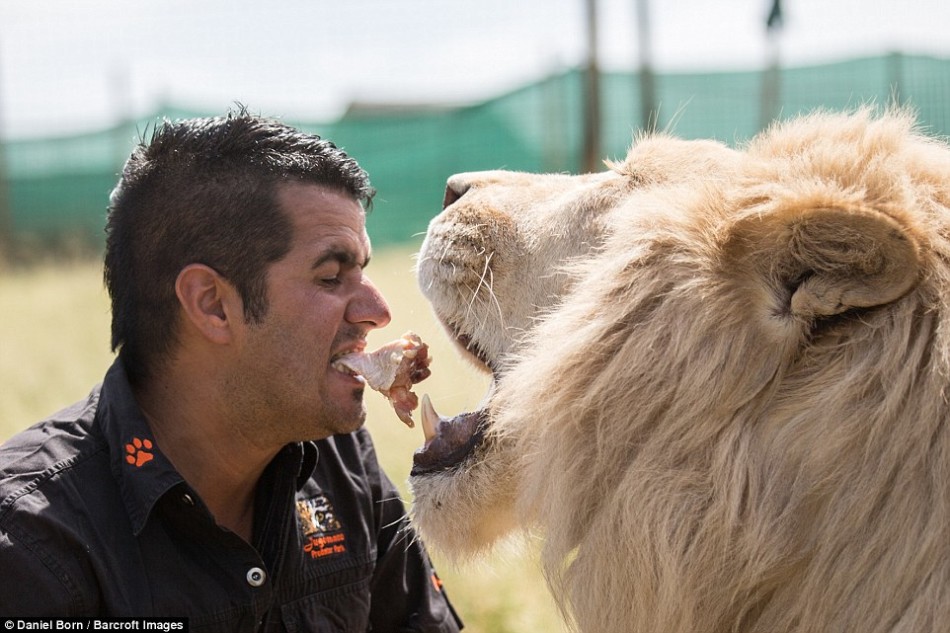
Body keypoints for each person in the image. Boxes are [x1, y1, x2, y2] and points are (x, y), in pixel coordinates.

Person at [0, 110, 463, 632]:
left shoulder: (342, 464)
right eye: (331, 276)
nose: (378, 311)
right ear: (213, 305)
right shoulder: (30, 545)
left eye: (364, 271)